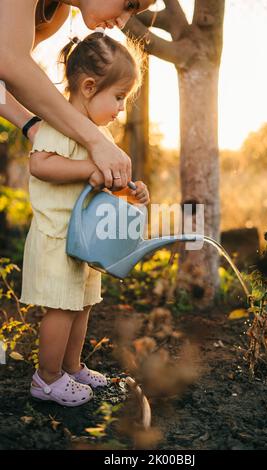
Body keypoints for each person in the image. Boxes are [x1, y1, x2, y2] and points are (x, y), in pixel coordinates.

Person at [20, 31, 150, 406]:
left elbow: (105, 181)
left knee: (82, 304)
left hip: (84, 241)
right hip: (57, 236)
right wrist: (85, 169)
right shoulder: (58, 124)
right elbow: (40, 164)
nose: (121, 108)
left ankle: (72, 368)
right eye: (119, 97)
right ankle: (46, 379)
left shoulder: (100, 133)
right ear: (90, 87)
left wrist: (131, 190)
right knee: (61, 308)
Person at [0, 0, 155, 190]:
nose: (123, 22)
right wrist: (96, 141)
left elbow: (8, 70)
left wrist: (30, 126)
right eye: (130, 4)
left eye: (132, 14)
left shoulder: (56, 14)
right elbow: (8, 60)